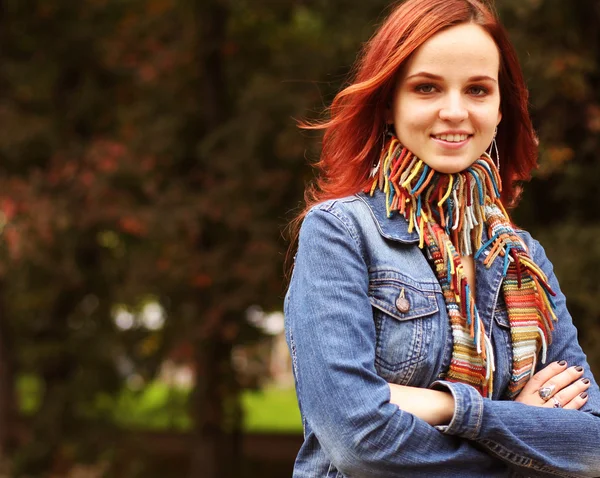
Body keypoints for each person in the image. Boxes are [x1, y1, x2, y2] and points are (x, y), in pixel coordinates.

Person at [284, 0, 600, 477]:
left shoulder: (523, 257)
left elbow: (592, 443)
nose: (454, 112)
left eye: (477, 90)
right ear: (390, 104)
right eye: (427, 87)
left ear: (499, 109)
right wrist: (528, 434)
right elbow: (358, 442)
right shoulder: (340, 233)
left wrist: (448, 408)